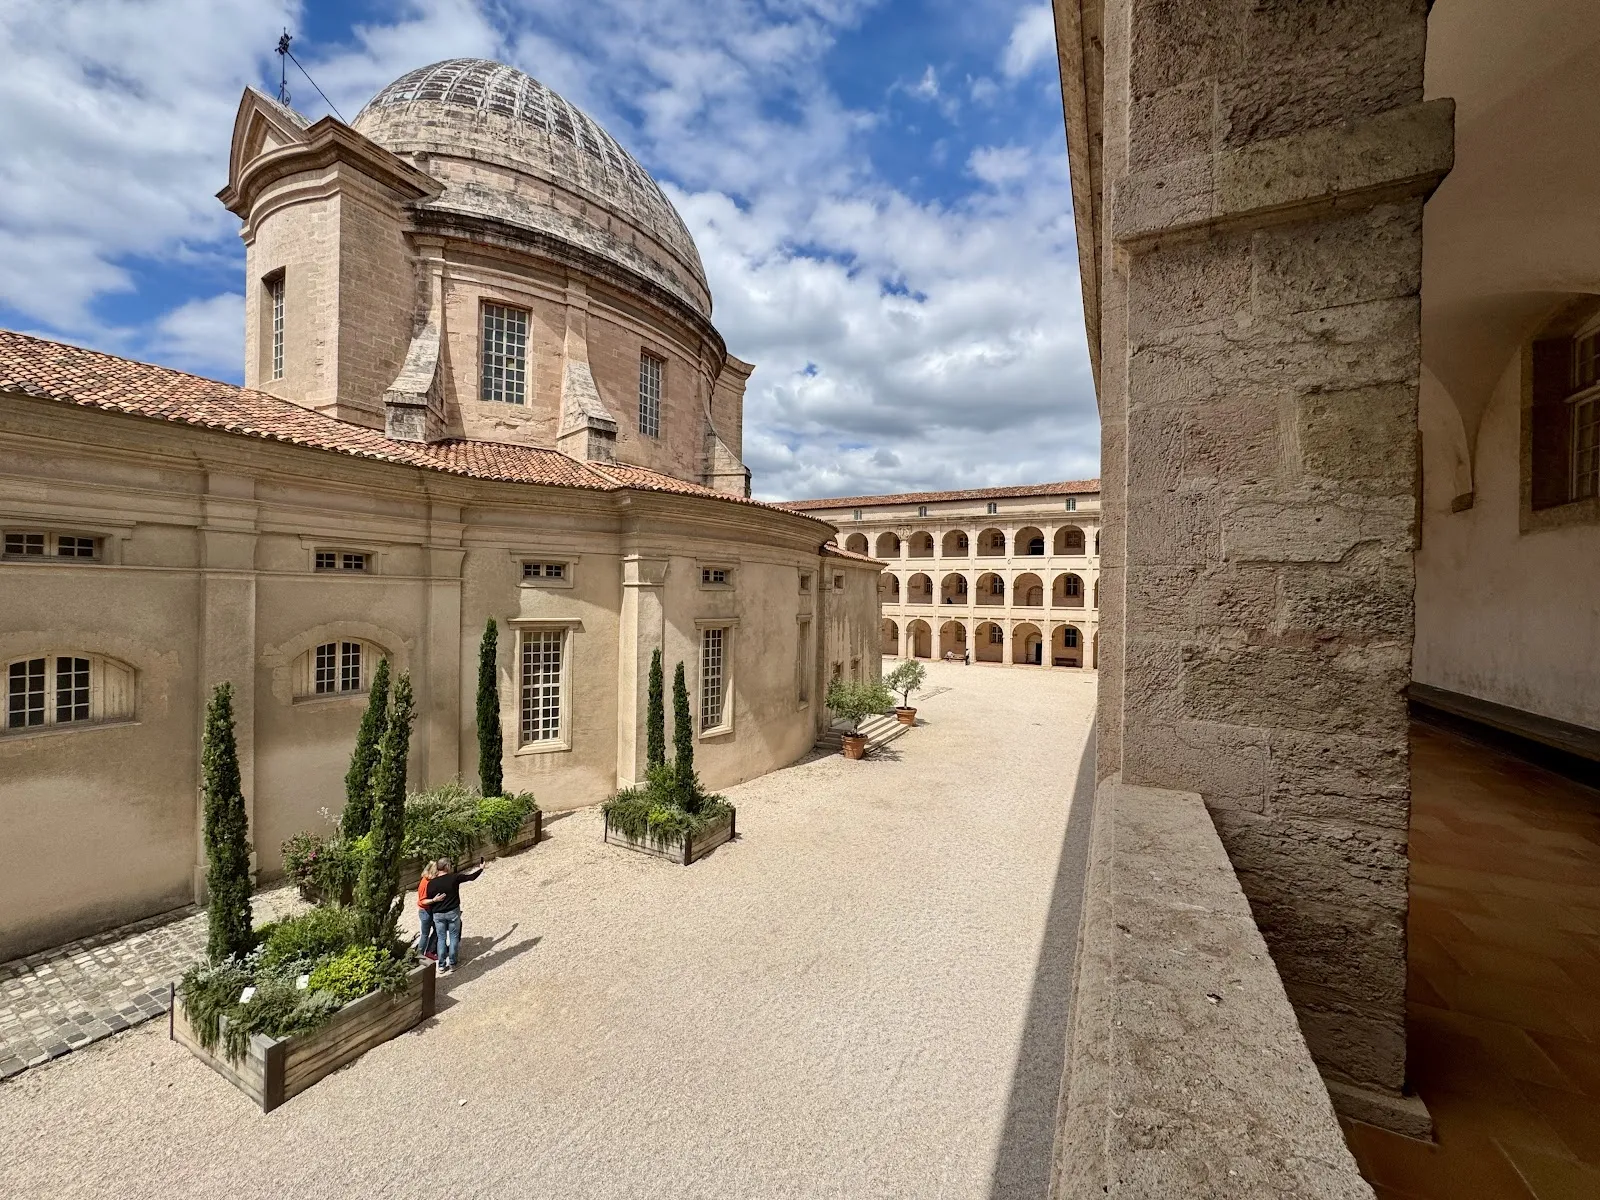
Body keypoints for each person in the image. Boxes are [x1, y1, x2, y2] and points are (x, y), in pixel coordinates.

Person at [424, 856, 484, 975]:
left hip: (438, 914)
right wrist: (481, 869)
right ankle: (452, 963)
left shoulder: (431, 883)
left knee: (441, 938)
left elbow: (429, 899)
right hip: (452, 912)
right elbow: (470, 877)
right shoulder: (454, 878)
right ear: (446, 866)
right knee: (453, 937)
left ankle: (441, 965)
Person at [416, 861, 443, 962]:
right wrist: (434, 900)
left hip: (429, 910)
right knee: (425, 934)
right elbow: (422, 900)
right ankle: (420, 954)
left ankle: (429, 951)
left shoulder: (428, 880)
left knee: (437, 929)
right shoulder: (425, 882)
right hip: (425, 911)